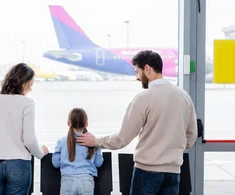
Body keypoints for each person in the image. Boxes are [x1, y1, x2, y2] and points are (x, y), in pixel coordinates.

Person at [76, 50, 198, 195]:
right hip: (173, 173)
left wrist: (95, 141)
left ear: (147, 69)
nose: (137, 77)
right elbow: (191, 135)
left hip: (147, 172)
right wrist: (172, 150)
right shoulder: (184, 97)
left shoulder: (143, 98)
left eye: (137, 72)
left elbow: (122, 139)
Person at [0, 63, 49, 195]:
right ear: (23, 82)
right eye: (30, 84)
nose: (31, 89)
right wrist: (40, 153)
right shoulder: (27, 103)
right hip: (19, 164)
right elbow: (29, 140)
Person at [52, 108, 104, 195]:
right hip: (86, 180)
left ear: (68, 123)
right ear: (86, 124)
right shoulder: (92, 141)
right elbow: (98, 163)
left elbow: (55, 163)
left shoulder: (61, 141)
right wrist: (97, 146)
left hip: (67, 180)